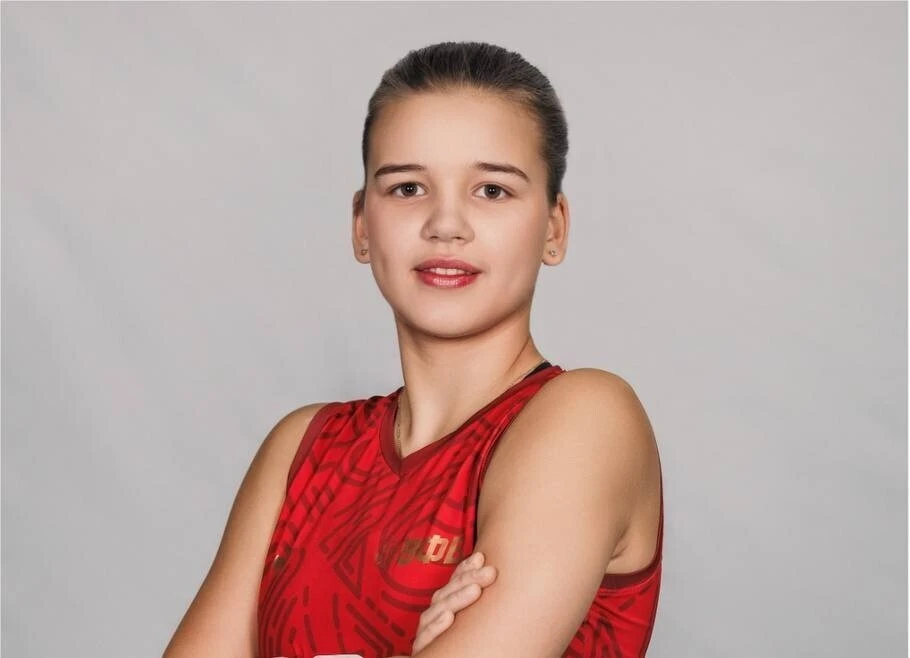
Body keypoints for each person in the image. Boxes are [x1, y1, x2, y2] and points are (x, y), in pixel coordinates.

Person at [164, 41, 662, 658]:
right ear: (361, 226)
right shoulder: (300, 450)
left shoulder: (588, 417)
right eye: (407, 188)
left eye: (492, 191)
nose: (445, 224)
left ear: (553, 228)